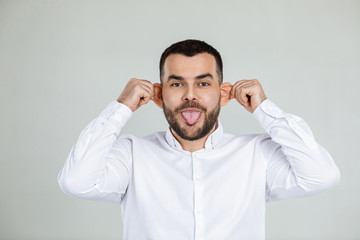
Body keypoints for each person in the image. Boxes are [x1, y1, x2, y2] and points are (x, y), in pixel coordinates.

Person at [58, 39, 340, 240]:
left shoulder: (257, 154)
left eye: (203, 83)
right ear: (158, 95)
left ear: (224, 92)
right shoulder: (131, 155)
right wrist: (121, 107)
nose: (190, 95)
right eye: (177, 83)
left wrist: (263, 108)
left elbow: (321, 176)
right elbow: (75, 181)